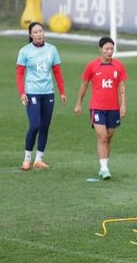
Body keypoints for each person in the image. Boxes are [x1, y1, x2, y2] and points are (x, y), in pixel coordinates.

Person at [73, 37, 127, 179]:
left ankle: (105, 166)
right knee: (102, 137)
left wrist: (123, 104)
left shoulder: (119, 66)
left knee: (108, 138)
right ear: (100, 49)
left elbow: (121, 87)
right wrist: (78, 103)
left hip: (113, 108)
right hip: (97, 108)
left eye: (111, 49)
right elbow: (84, 85)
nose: (110, 52)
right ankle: (103, 168)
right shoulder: (92, 66)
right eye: (107, 49)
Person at [16, 21, 66, 170]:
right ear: (31, 35)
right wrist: (22, 92)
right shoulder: (24, 51)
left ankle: (39, 159)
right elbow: (19, 74)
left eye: (41, 31)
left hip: (48, 93)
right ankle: (27, 159)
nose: (39, 34)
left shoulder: (52, 49)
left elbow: (57, 72)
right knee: (35, 125)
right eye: (35, 32)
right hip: (32, 92)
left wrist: (62, 91)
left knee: (45, 126)